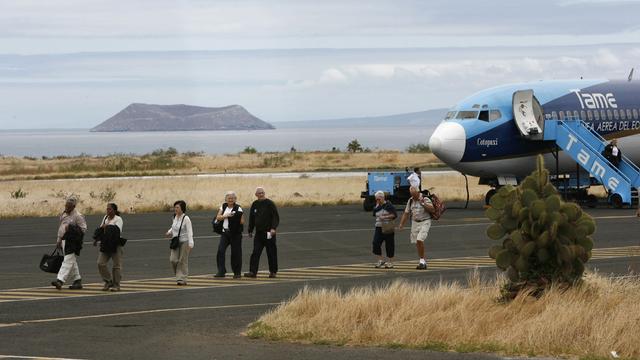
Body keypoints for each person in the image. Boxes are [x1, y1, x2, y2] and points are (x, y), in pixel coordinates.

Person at [51, 197, 88, 290]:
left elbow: (83, 229)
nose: (66, 207)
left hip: (73, 242)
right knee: (72, 262)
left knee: (67, 260)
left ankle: (60, 280)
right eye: (66, 205)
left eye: (69, 206)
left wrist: (71, 227)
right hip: (64, 240)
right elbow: (61, 228)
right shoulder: (63, 214)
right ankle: (77, 280)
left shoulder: (78, 216)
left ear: (74, 206)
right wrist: (59, 240)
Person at [245, 187, 280, 278]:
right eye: (259, 193)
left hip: (269, 233)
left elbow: (275, 217)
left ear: (264, 193)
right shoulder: (255, 204)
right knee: (255, 252)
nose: (261, 194)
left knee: (271, 253)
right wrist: (250, 230)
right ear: (256, 195)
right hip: (259, 233)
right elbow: (252, 218)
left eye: (262, 193)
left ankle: (273, 272)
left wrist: (273, 228)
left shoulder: (270, 203)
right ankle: (253, 272)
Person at [397, 186, 434, 270]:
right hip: (414, 222)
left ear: (418, 192)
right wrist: (401, 224)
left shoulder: (425, 198)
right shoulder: (410, 201)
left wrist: (423, 204)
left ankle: (422, 261)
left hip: (425, 221)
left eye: (414, 194)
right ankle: (422, 261)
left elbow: (432, 210)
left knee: (419, 239)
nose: (413, 196)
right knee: (417, 243)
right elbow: (406, 213)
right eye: (411, 194)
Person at [94, 203, 124, 292]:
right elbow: (101, 229)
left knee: (116, 266)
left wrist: (107, 226)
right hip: (105, 244)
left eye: (110, 209)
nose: (108, 211)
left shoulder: (118, 219)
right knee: (100, 263)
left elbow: (117, 231)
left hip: (115, 244)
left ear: (114, 210)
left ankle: (116, 285)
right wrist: (96, 239)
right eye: (107, 209)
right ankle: (108, 280)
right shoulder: (105, 218)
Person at [214, 191, 244, 279]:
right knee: (220, 251)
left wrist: (235, 218)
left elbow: (242, 221)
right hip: (225, 233)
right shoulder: (223, 206)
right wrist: (226, 215)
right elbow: (218, 217)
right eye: (229, 198)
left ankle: (237, 272)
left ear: (235, 199)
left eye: (232, 198)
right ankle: (221, 271)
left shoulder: (239, 208)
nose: (230, 200)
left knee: (236, 253)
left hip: (235, 234)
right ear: (226, 199)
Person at [165, 200, 194, 285]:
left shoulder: (186, 218)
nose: (175, 209)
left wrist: (191, 243)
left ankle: (182, 279)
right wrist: (169, 231)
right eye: (175, 207)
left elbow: (190, 231)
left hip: (185, 242)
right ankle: (179, 275)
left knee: (182, 260)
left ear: (182, 208)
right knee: (173, 260)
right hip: (175, 241)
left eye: (177, 207)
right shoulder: (174, 216)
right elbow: (174, 226)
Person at [372, 191, 397, 268]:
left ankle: (391, 262)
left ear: (383, 198)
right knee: (375, 243)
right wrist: (376, 207)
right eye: (376, 199)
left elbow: (394, 215)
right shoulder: (377, 206)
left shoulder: (389, 205)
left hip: (387, 226)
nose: (377, 201)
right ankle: (381, 260)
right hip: (378, 226)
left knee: (389, 244)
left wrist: (385, 217)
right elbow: (374, 214)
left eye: (379, 199)